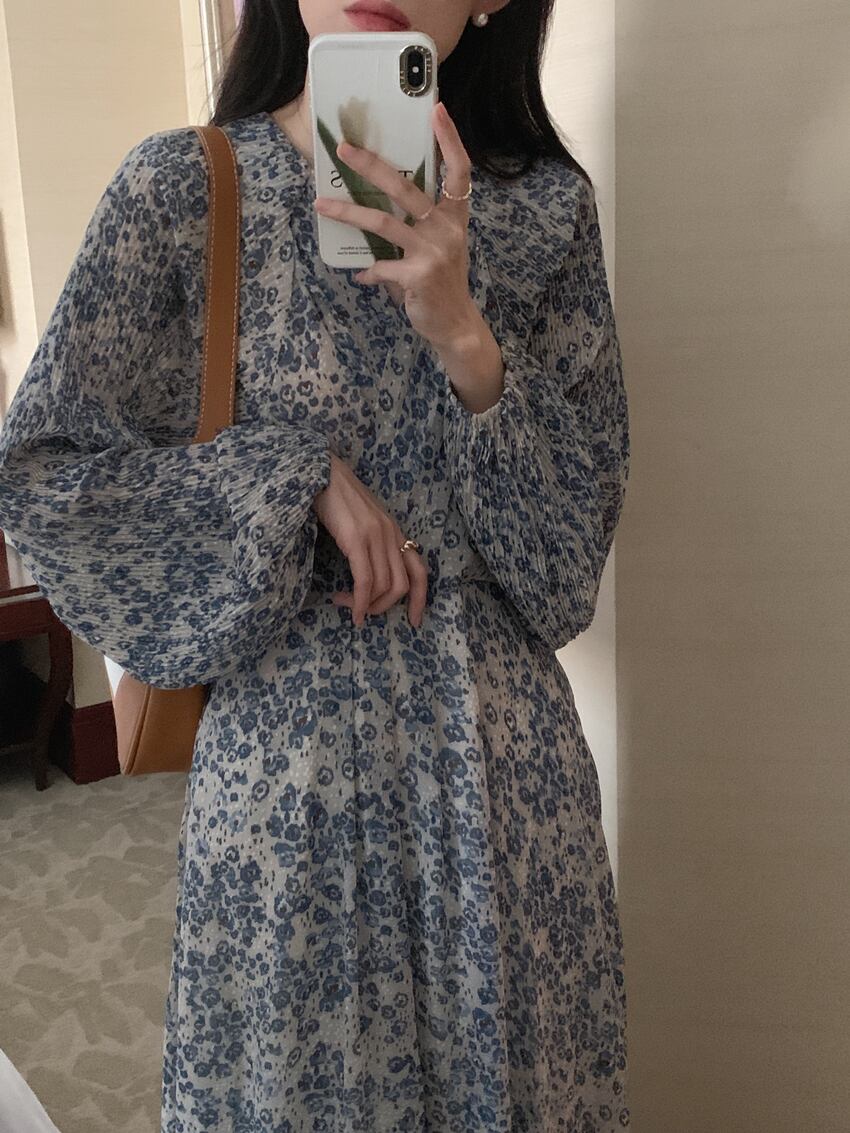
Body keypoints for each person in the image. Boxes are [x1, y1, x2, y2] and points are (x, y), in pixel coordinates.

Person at [0, 0, 632, 1129]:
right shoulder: (184, 193)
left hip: (509, 792)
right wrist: (290, 473)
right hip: (287, 792)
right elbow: (43, 479)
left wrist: (465, 336)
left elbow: (564, 569)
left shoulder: (545, 212)